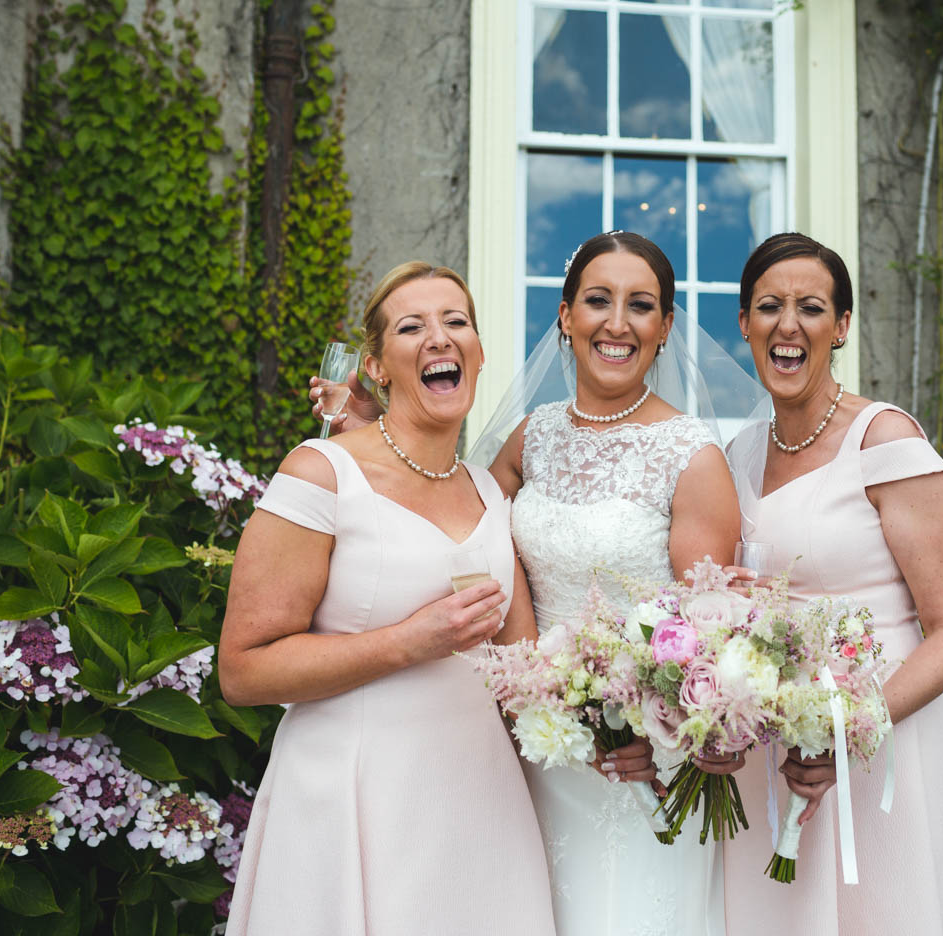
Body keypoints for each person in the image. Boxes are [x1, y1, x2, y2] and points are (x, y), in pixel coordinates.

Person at [312, 232, 751, 936]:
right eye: (598, 300)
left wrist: (662, 736)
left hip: (637, 765)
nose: (617, 322)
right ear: (565, 317)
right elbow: (451, 503)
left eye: (640, 305)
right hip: (529, 751)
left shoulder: (691, 455)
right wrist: (371, 425)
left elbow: (707, 633)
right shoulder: (531, 437)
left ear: (665, 326)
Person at [220, 262, 555, 935]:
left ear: (480, 353)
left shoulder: (491, 493)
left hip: (478, 805)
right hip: (354, 798)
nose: (439, 337)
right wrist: (409, 641)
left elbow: (526, 672)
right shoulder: (322, 470)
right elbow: (243, 670)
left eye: (455, 322)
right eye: (413, 326)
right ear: (375, 366)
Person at [719, 232, 943, 935]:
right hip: (772, 754)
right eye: (768, 307)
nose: (788, 325)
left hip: (881, 745)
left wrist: (844, 730)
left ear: (841, 326)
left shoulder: (886, 442)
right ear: (745, 325)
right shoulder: (736, 453)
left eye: (811, 308)